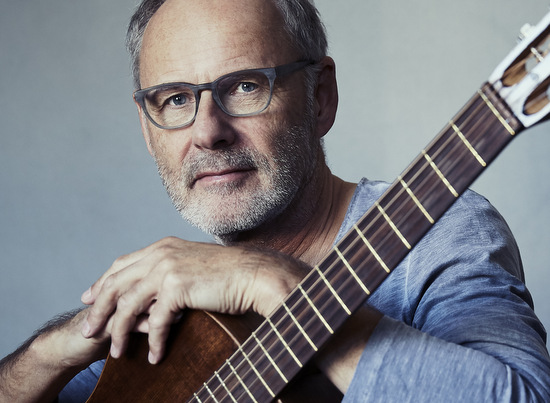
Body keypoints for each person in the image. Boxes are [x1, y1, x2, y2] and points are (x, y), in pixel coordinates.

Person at [1, 0, 549, 401]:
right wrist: (58, 346)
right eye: (174, 99)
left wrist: (273, 285)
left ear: (321, 98)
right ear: (148, 131)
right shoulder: (181, 297)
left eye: (244, 87)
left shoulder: (442, 232)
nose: (208, 132)